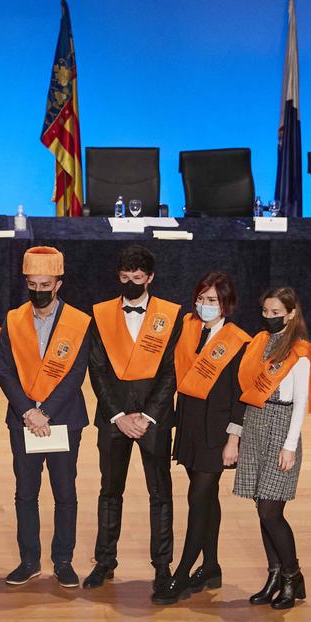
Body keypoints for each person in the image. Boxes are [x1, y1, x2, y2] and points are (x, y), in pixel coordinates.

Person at [85, 247, 181, 596]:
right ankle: (105, 561)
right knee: (110, 491)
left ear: (150, 278)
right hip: (114, 418)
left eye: (137, 279)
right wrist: (119, 415)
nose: (129, 283)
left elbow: (172, 371)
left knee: (160, 493)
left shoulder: (170, 315)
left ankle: (162, 566)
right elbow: (96, 369)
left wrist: (148, 415)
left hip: (153, 419)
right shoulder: (100, 314)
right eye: (124, 278)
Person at [0, 247, 90, 587]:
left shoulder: (78, 322)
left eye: (45, 283)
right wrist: (28, 411)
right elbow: (4, 371)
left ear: (58, 284)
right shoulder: (12, 319)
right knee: (25, 492)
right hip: (23, 418)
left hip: (62, 419)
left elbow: (76, 374)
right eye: (32, 283)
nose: (38, 290)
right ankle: (29, 560)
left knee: (65, 492)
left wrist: (44, 412)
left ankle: (63, 560)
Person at [232, 286, 311, 609]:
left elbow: (299, 403)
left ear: (291, 313)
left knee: (272, 511)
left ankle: (291, 575)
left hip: (282, 426)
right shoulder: (261, 342)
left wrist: (289, 446)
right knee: (261, 508)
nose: (269, 318)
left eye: (276, 313)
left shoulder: (299, 351)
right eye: (265, 312)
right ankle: (274, 574)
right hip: (256, 422)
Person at [165, 272, 253, 604]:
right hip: (188, 425)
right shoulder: (188, 329)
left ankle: (184, 571)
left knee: (198, 498)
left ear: (227, 304)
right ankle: (211, 566)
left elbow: (241, 396)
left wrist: (234, 439)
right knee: (207, 498)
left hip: (217, 433)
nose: (204, 306)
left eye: (212, 300)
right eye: (200, 299)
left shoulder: (238, 342)